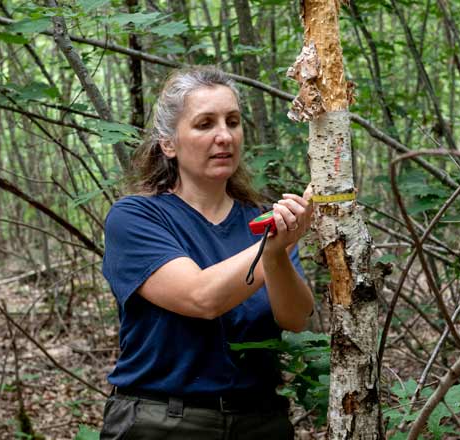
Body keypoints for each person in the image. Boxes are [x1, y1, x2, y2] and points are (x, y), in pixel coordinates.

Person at [100, 66, 314, 439]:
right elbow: (201, 298)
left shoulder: (259, 220)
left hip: (259, 420)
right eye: (204, 124)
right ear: (169, 143)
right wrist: (274, 245)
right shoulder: (134, 217)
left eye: (232, 121)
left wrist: (279, 251)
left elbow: (295, 318)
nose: (224, 136)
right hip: (162, 421)